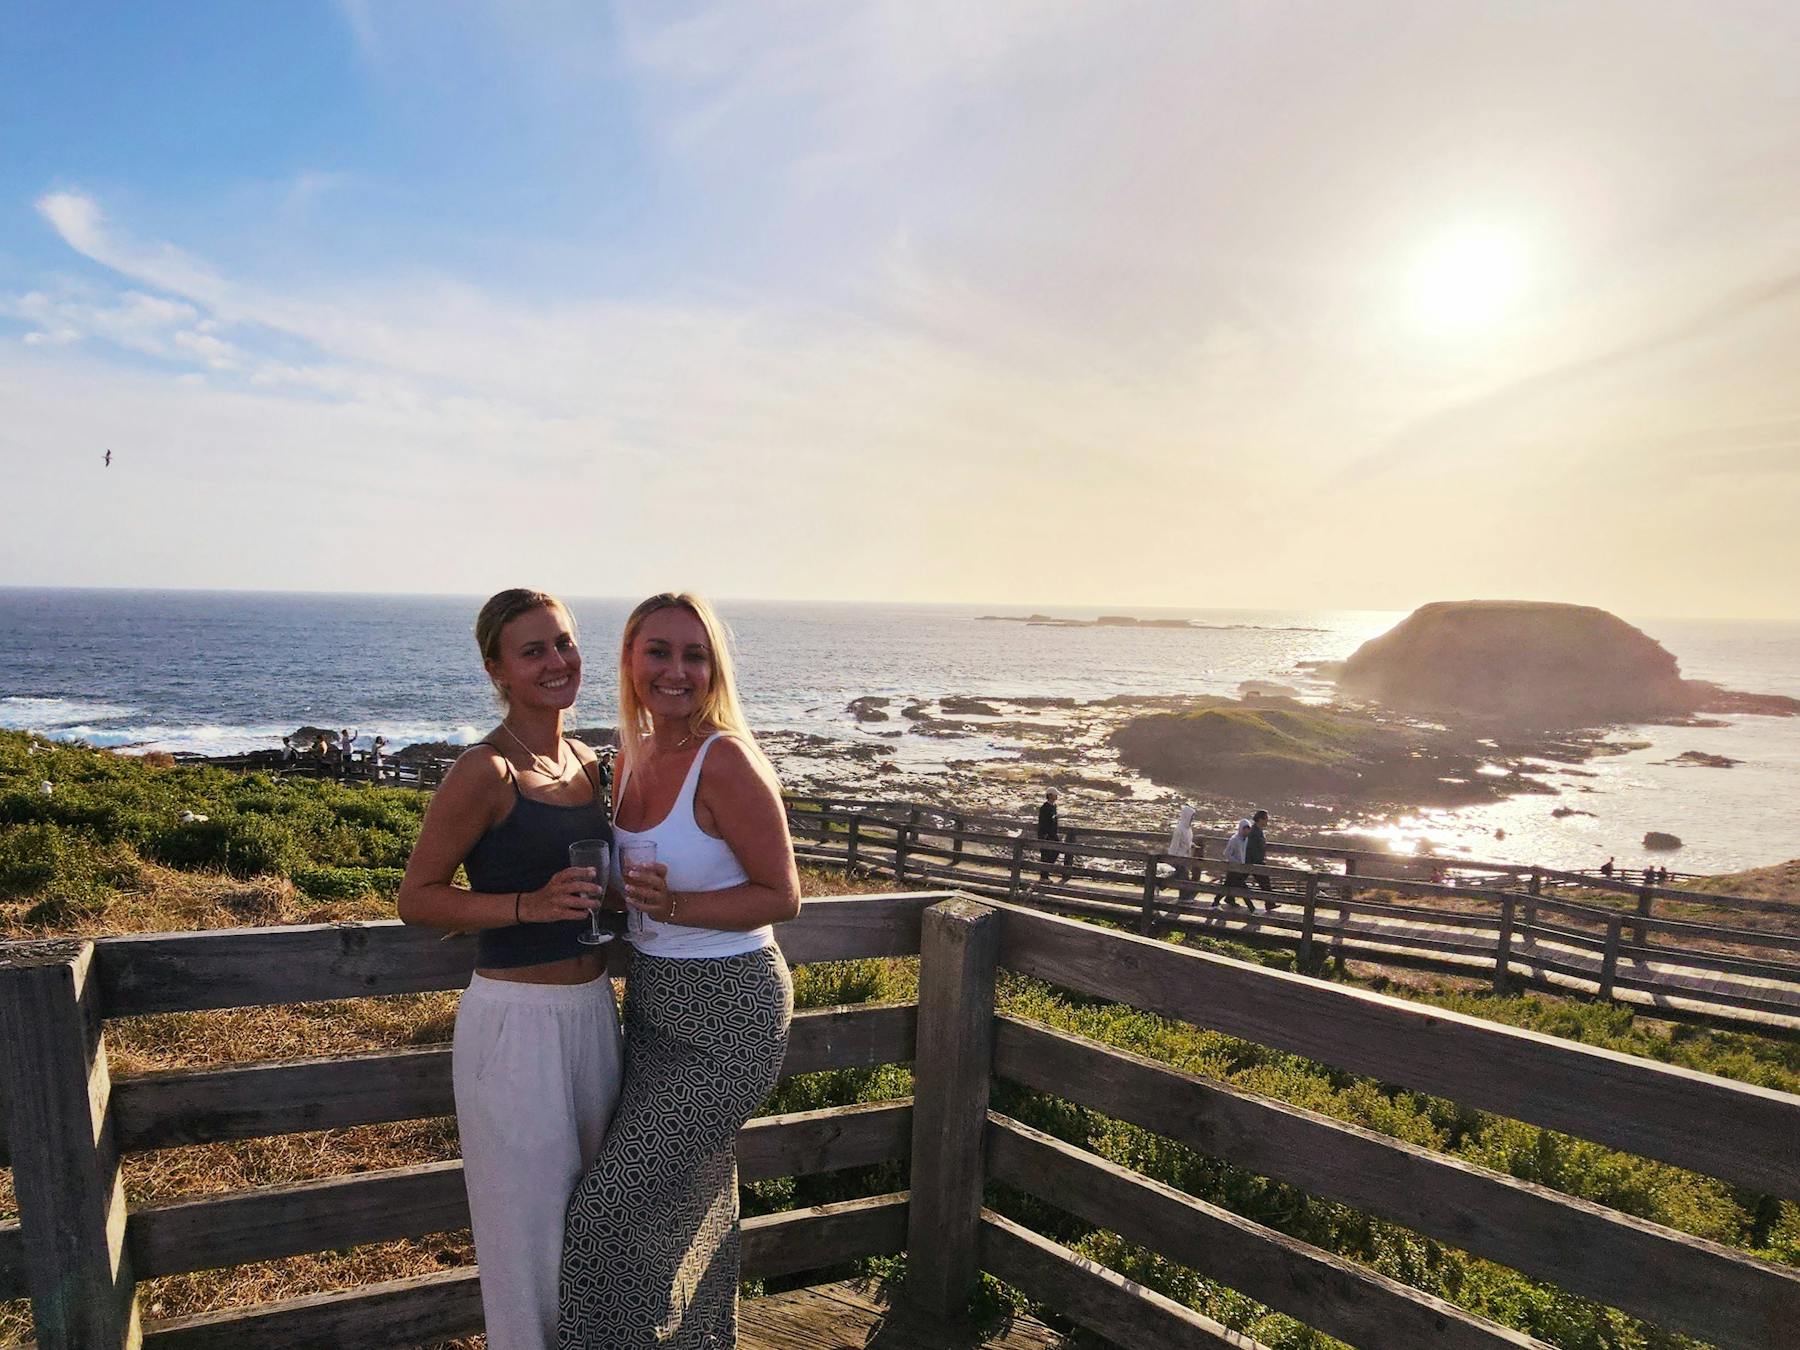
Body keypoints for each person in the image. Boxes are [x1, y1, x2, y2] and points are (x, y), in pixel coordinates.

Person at [560, 592, 799, 1350]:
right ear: (630, 660)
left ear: (713, 668)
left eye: (694, 655)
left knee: (608, 1208)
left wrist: (679, 905)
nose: (677, 670)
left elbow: (783, 896)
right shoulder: (629, 756)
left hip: (732, 1010)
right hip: (657, 1003)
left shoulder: (722, 759)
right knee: (687, 1199)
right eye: (658, 651)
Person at [396, 589, 622, 1350]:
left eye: (563, 643)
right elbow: (417, 899)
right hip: (514, 1028)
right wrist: (526, 905)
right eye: (533, 651)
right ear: (497, 668)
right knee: (524, 1246)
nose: (557, 662)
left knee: (596, 1227)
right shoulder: (484, 771)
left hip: (596, 1015)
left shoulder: (590, 763)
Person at [1245, 808, 1279, 911]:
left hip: (1253, 861)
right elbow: (1252, 847)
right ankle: (1270, 904)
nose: (1267, 821)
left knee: (1236, 880)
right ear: (1260, 819)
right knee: (1264, 882)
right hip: (1253, 862)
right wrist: (1258, 860)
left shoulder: (1257, 830)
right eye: (1266, 819)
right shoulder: (1254, 832)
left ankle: (1270, 903)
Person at [1035, 787, 1070, 885]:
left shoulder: (1054, 806)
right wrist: (1044, 835)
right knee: (1045, 855)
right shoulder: (1044, 808)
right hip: (1046, 835)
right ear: (1050, 795)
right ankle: (1044, 876)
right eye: (1055, 795)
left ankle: (1045, 873)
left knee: (1055, 851)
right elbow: (1043, 823)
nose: (1056, 796)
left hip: (1053, 834)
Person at [1216, 819, 1252, 908]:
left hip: (1240, 868)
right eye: (1245, 829)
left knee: (1227, 886)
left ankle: (1223, 900)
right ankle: (1251, 907)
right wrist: (1236, 862)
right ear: (1241, 829)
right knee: (1243, 888)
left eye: (1248, 829)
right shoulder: (1234, 839)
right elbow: (1227, 853)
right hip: (1233, 868)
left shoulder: (1246, 840)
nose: (1247, 831)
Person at [1166, 803, 1197, 902]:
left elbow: (1187, 841)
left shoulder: (1188, 828)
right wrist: (1173, 859)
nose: (1193, 819)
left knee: (1179, 875)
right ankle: (1184, 898)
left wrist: (1191, 844)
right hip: (1177, 857)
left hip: (1184, 857)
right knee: (1184, 876)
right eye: (1192, 817)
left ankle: (1159, 885)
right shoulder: (1179, 829)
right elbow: (1174, 845)